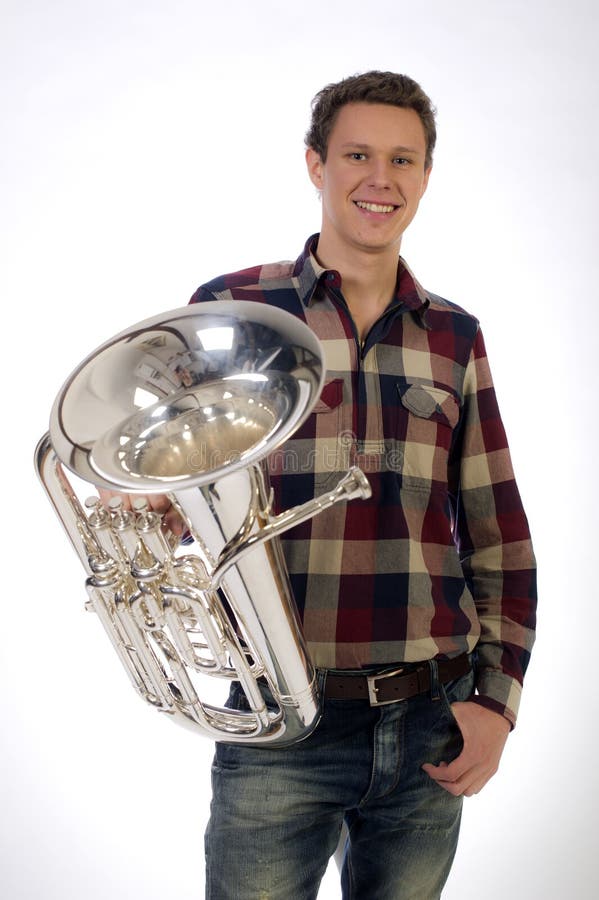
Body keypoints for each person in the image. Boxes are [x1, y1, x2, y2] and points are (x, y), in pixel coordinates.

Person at [185, 70, 537, 899]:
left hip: (429, 718)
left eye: (402, 160)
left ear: (423, 175)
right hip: (279, 719)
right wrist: (146, 499)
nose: (380, 180)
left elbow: (499, 533)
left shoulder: (454, 335)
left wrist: (497, 701)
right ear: (315, 165)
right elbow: (182, 489)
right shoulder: (234, 306)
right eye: (356, 155)